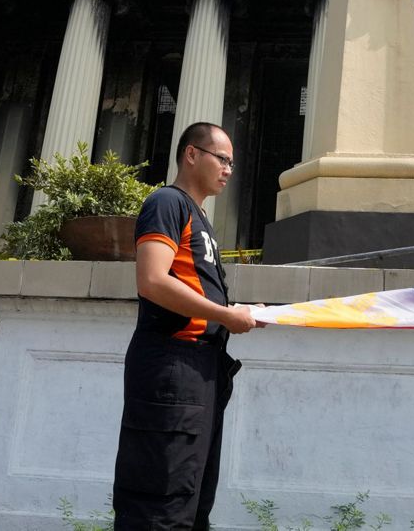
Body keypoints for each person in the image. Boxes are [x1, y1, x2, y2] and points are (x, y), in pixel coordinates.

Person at [112, 122, 257, 531]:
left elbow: (194, 286)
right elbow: (153, 280)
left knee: (192, 502)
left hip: (201, 372)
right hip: (170, 368)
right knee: (160, 503)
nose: (229, 169)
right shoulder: (166, 202)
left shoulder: (201, 219)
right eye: (222, 159)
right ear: (192, 154)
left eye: (232, 162)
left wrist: (235, 311)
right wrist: (226, 314)